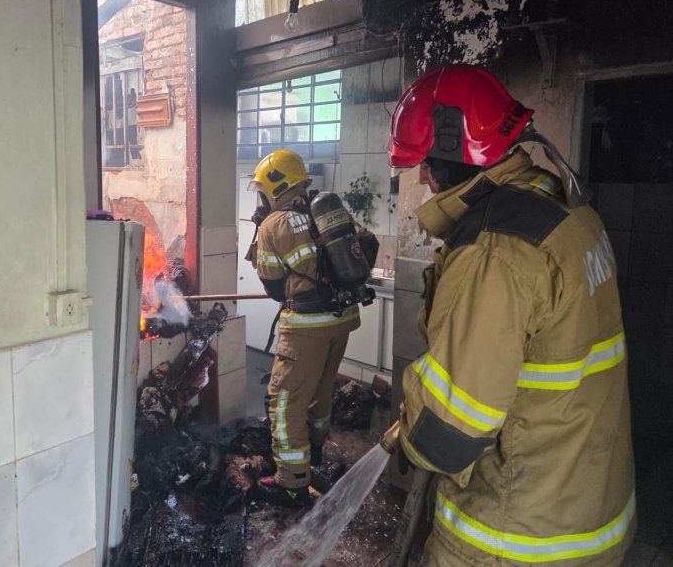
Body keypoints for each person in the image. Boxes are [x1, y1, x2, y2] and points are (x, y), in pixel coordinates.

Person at [387, 64, 636, 566]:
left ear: (453, 154)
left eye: (425, 163)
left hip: (513, 533)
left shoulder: (494, 253)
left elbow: (446, 437)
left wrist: (400, 435)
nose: (422, 177)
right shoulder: (567, 212)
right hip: (588, 510)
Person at [246, 149, 362, 507]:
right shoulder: (325, 210)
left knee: (284, 402)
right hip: (342, 318)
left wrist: (261, 230)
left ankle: (292, 482)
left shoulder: (273, 225)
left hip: (306, 327)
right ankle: (312, 453)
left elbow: (274, 287)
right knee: (320, 391)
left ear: (273, 187)